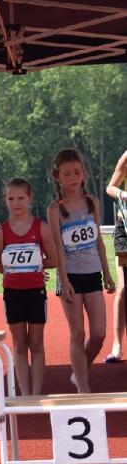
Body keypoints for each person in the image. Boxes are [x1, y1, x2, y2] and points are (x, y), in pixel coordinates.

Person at [47, 149, 115, 393]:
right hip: (70, 276)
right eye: (67, 174)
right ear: (58, 178)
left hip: (92, 273)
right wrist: (64, 280)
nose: (73, 178)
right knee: (77, 332)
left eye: (77, 172)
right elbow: (57, 247)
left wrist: (107, 273)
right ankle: (83, 388)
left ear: (84, 174)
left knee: (98, 334)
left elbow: (98, 241)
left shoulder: (92, 202)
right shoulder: (55, 209)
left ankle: (79, 373)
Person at [0, 178, 56, 395]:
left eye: (21, 198)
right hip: (12, 293)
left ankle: (36, 394)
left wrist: (36, 266)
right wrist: (20, 269)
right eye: (11, 198)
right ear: (5, 200)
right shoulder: (1, 232)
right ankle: (25, 393)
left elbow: (53, 259)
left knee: (36, 344)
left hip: (36, 293)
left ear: (30, 199)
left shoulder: (42, 228)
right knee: (19, 345)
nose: (16, 203)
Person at [104, 150, 127, 362]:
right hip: (124, 229)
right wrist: (122, 194)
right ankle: (117, 345)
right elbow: (110, 187)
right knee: (123, 287)